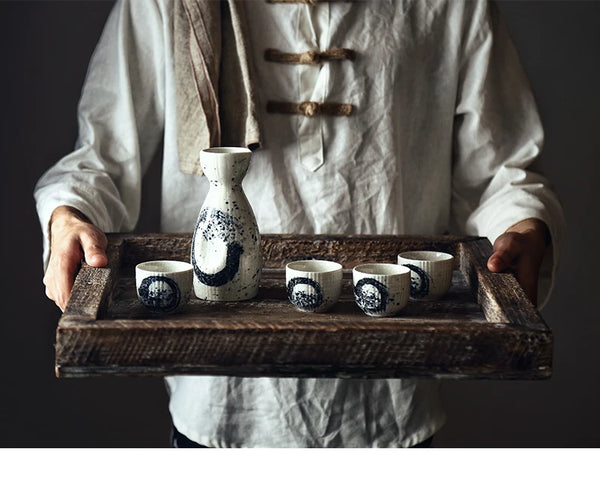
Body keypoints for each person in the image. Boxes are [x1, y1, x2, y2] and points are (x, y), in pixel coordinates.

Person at [35, 0, 565, 447]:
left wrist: (521, 226)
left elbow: (501, 170)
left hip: (389, 405)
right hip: (221, 402)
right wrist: (70, 216)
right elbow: (101, 156)